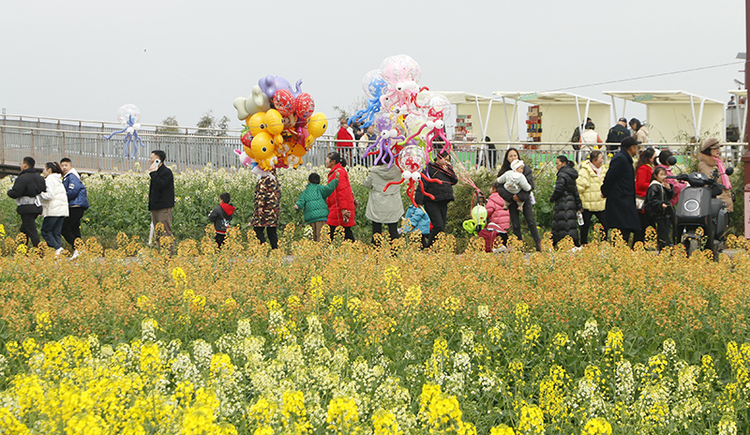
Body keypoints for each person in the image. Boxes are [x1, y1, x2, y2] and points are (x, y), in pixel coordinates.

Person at [496, 148, 542, 251]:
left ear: (518, 156)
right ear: (507, 158)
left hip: (524, 199)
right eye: (510, 156)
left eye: (515, 155)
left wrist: (520, 197)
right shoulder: (505, 171)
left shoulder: (525, 169)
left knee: (530, 221)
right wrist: (510, 196)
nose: (513, 158)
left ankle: (538, 244)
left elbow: (529, 186)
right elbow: (499, 186)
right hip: (511, 200)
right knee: (515, 223)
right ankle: (519, 245)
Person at [601, 136, 640, 242]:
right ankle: (619, 252)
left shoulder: (625, 158)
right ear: (632, 147)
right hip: (620, 199)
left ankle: (622, 251)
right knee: (621, 229)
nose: (637, 149)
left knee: (625, 228)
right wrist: (604, 191)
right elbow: (610, 177)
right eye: (636, 147)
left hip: (623, 198)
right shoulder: (620, 158)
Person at [415, 150, 458, 247]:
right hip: (431, 200)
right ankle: (429, 246)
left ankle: (435, 247)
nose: (446, 162)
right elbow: (423, 183)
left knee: (441, 227)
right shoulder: (430, 168)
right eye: (445, 159)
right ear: (438, 158)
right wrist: (419, 200)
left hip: (443, 199)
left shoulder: (447, 169)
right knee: (438, 225)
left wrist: (449, 169)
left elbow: (454, 180)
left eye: (448, 160)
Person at [6, 156, 46, 247]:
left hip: (26, 207)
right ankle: (22, 250)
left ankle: (39, 250)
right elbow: (43, 189)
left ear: (25, 165)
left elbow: (16, 192)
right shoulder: (39, 178)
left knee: (31, 230)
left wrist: (9, 192)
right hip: (36, 206)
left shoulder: (23, 178)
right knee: (24, 229)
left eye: (21, 163)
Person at [364, 156, 404, 244]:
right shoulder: (397, 170)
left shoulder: (374, 171)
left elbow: (367, 184)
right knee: (393, 230)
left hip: (377, 204)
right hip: (394, 203)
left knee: (376, 230)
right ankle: (395, 252)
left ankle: (376, 252)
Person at [294, 172, 339, 242]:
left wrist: (297, 206)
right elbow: (329, 188)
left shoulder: (305, 192)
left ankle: (313, 251)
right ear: (319, 181)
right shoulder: (320, 188)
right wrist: (335, 180)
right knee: (321, 238)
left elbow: (300, 201)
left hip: (310, 218)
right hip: (321, 217)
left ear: (308, 181)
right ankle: (322, 251)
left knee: (311, 238)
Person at [549, 156, 582, 248]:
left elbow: (559, 188)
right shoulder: (571, 174)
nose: (556, 166)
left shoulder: (562, 174)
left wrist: (552, 198)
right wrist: (579, 205)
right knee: (570, 223)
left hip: (562, 201)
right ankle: (575, 242)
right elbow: (575, 190)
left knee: (561, 224)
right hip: (571, 201)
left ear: (564, 163)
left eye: (557, 163)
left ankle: (557, 242)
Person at [576, 150, 608, 244]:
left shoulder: (604, 170)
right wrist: (579, 203)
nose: (602, 160)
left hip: (601, 203)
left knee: (605, 225)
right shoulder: (584, 171)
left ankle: (604, 243)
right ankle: (584, 244)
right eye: (601, 158)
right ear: (594, 160)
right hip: (587, 203)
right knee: (585, 226)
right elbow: (580, 187)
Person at [59, 157, 88, 258]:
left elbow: (73, 191)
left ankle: (79, 249)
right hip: (76, 206)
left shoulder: (72, 176)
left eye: (66, 165)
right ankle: (80, 251)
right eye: (62, 166)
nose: (64, 168)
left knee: (64, 228)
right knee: (75, 229)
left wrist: (62, 198)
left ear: (71, 166)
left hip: (75, 206)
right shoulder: (68, 177)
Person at [39, 162, 69, 255]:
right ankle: (58, 254)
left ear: (49, 170)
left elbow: (49, 195)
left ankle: (58, 248)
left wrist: (39, 193)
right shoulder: (58, 180)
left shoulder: (49, 180)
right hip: (62, 211)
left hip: (53, 210)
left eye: (44, 169)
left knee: (45, 231)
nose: (43, 172)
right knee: (56, 233)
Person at [697, 138, 734, 214]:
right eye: (715, 149)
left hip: (725, 198)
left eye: (718, 148)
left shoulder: (718, 162)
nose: (718, 151)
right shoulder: (705, 164)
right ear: (708, 150)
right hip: (716, 201)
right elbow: (708, 184)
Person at [325, 152, 356, 241]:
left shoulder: (338, 172)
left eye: (327, 159)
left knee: (333, 230)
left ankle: (326, 250)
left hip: (339, 207)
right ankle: (354, 250)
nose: (326, 161)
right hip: (337, 206)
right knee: (345, 231)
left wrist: (343, 209)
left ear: (333, 161)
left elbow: (341, 192)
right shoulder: (338, 171)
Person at [148, 150, 175, 253]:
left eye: (152, 158)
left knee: (165, 232)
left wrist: (153, 173)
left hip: (164, 207)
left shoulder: (166, 172)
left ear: (158, 160)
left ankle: (169, 255)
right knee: (158, 233)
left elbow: (160, 185)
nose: (150, 160)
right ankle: (161, 254)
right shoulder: (156, 173)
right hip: (155, 207)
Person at [645, 166, 674, 251]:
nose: (664, 177)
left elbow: (669, 197)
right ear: (655, 176)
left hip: (663, 213)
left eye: (665, 174)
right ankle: (663, 248)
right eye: (661, 174)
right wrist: (661, 204)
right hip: (657, 214)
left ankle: (665, 247)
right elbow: (652, 200)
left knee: (664, 230)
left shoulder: (662, 186)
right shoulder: (654, 186)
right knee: (661, 232)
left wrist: (669, 189)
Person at [252, 170, 281, 249]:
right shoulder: (275, 180)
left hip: (265, 208)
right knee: (271, 230)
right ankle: (275, 249)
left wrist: (260, 206)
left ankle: (264, 247)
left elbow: (262, 191)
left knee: (257, 229)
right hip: (274, 209)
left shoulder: (264, 178)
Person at [479, 183, 511, 252]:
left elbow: (488, 211)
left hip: (496, 222)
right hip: (505, 222)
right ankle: (505, 246)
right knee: (503, 235)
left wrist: (482, 216)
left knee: (494, 235)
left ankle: (498, 247)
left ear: (494, 189)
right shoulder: (504, 197)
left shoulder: (492, 198)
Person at [634, 147, 656, 244]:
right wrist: (653, 184)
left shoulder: (647, 167)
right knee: (642, 224)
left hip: (647, 198)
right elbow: (641, 184)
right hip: (643, 199)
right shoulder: (644, 168)